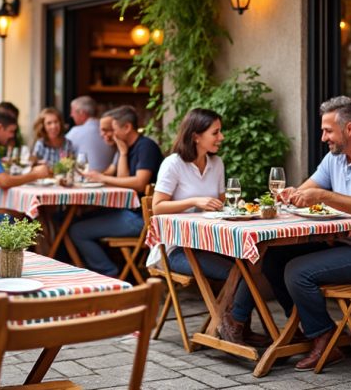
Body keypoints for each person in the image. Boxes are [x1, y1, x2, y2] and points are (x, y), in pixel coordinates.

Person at [223, 96, 351, 370]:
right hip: (342, 246)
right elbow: (307, 190)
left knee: (298, 271)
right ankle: (302, 328)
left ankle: (323, 337)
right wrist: (291, 194)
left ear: (349, 129)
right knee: (272, 259)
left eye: (328, 130)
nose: (323, 137)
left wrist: (323, 195)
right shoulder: (335, 158)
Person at [149, 108, 266, 343]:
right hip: (177, 249)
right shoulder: (173, 164)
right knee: (239, 271)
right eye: (216, 132)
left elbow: (222, 202)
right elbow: (157, 207)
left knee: (254, 263)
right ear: (196, 136)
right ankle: (231, 327)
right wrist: (194, 201)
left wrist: (235, 206)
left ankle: (238, 325)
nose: (221, 137)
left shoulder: (217, 163)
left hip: (210, 243)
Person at [70, 105, 162, 276]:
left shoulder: (146, 147)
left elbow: (140, 183)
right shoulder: (127, 148)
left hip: (142, 219)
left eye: (113, 129)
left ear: (127, 127)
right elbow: (122, 180)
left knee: (77, 231)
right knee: (74, 220)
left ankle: (109, 273)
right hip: (129, 212)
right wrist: (123, 153)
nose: (110, 134)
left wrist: (102, 178)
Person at [65, 96, 113, 172]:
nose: (71, 115)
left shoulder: (76, 132)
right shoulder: (110, 131)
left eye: (73, 112)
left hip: (87, 179)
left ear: (82, 113)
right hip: (108, 178)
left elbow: (61, 154)